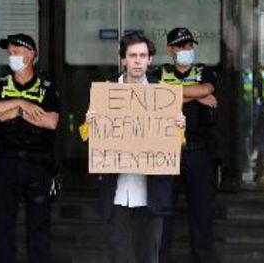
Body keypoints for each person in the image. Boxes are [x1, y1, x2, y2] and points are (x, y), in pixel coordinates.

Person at [87, 32, 183, 263]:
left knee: (149, 257)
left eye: (143, 55)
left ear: (150, 59)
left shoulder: (163, 96)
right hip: (117, 194)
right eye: (132, 55)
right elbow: (88, 139)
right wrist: (89, 125)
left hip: (151, 194)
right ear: (123, 59)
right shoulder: (106, 94)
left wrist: (180, 129)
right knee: (119, 256)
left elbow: (175, 145)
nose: (138, 60)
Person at [0, 33, 61, 263]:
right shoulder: (0, 84)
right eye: (10, 52)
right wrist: (21, 103)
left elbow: (51, 121)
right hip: (7, 162)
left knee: (39, 229)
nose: (11, 56)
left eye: (16, 52)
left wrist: (12, 113)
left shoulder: (46, 86)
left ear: (31, 54)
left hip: (38, 163)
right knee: (3, 228)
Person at [156, 27, 219, 263]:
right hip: (166, 152)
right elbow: (154, 97)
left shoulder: (205, 71)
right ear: (170, 50)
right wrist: (195, 96)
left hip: (198, 152)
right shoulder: (159, 73)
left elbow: (207, 89)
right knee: (162, 216)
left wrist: (172, 94)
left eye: (189, 46)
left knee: (202, 216)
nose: (186, 50)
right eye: (181, 46)